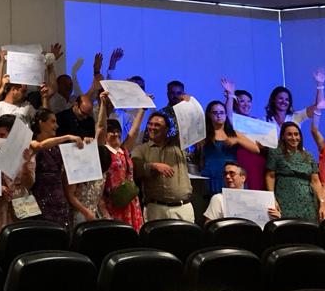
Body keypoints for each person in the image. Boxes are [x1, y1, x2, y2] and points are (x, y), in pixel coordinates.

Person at [132, 107, 199, 222]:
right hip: (156, 208)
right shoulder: (141, 149)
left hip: (182, 208)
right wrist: (153, 166)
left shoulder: (178, 144)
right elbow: (136, 170)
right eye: (150, 124)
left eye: (157, 125)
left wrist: (187, 105)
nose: (152, 128)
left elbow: (193, 128)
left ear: (167, 129)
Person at [25, 108, 87, 227]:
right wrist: (68, 137)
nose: (57, 126)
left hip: (59, 201)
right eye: (53, 121)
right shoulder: (32, 143)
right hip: (40, 201)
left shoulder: (57, 149)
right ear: (41, 123)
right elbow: (40, 146)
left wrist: (86, 144)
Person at [95, 91, 145, 230]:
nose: (116, 134)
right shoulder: (103, 151)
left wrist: (143, 109)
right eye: (112, 131)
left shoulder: (123, 150)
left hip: (130, 202)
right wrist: (103, 105)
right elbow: (100, 127)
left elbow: (133, 132)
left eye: (118, 130)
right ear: (106, 134)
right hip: (113, 202)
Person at [200, 100, 260, 195]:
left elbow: (256, 149)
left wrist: (237, 140)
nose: (219, 116)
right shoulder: (204, 134)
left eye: (222, 113)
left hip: (230, 175)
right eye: (215, 113)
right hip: (211, 175)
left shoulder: (232, 132)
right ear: (209, 115)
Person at [266, 122, 322, 221]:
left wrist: (321, 202)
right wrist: (272, 199)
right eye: (289, 134)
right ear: (283, 136)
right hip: (285, 198)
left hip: (308, 201)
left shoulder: (309, 156)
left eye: (296, 134)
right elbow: (270, 176)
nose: (293, 137)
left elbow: (315, 181)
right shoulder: (275, 153)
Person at [222, 78, 267, 191]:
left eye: (248, 101)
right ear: (236, 104)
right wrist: (231, 95)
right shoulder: (235, 120)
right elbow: (228, 113)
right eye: (242, 101)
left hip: (259, 160)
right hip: (243, 159)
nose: (246, 104)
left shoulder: (258, 122)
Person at [203, 162, 281, 222]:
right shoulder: (218, 198)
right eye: (225, 174)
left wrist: (277, 218)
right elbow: (208, 224)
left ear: (243, 178)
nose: (227, 176)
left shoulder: (257, 198)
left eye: (232, 173)